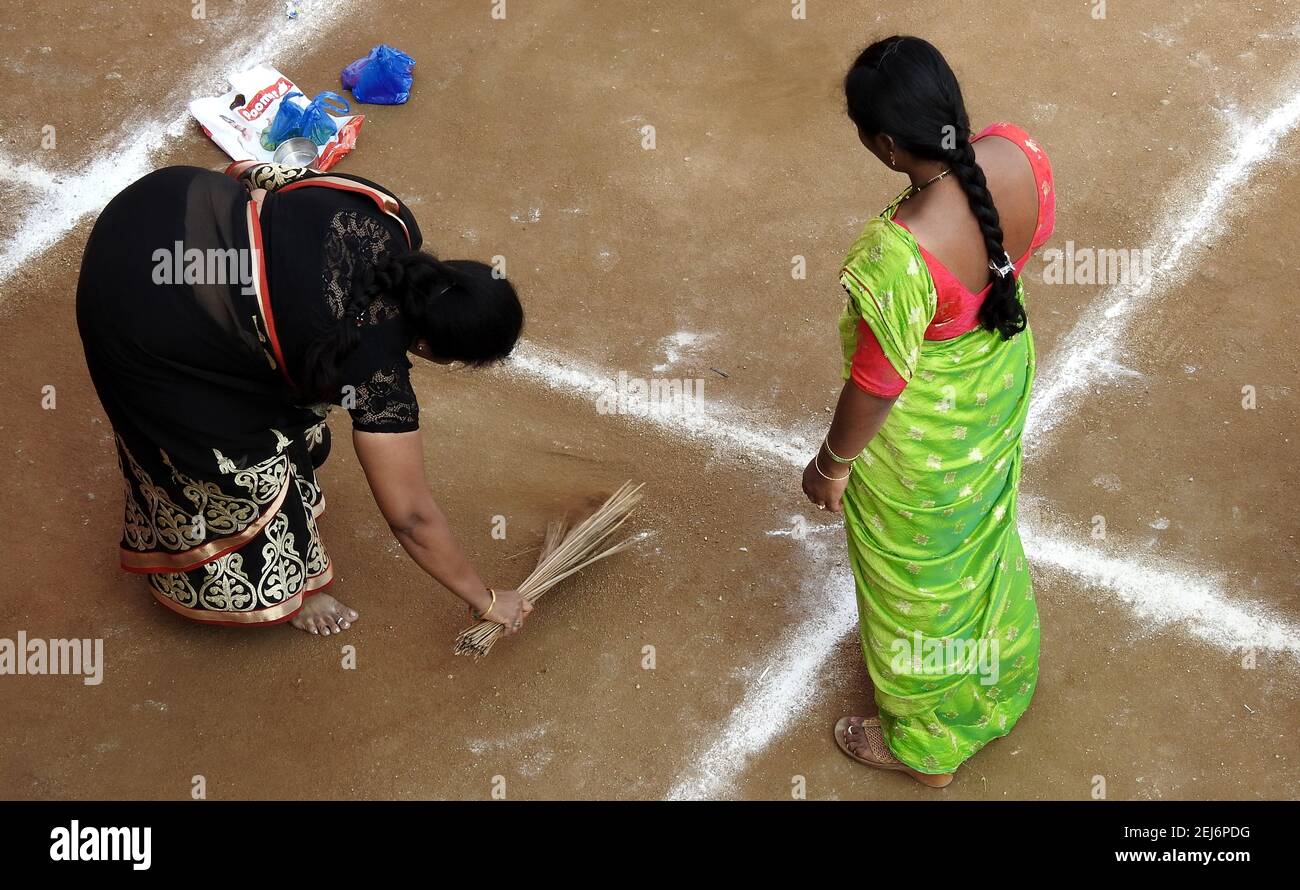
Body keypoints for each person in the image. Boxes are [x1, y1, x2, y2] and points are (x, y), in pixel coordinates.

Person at [76, 161, 532, 636]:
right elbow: (412, 517)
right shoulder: (376, 375)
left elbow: (265, 174)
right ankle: (296, 595)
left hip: (159, 205)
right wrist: (486, 599)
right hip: (134, 315)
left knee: (296, 407)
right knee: (241, 463)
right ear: (429, 347)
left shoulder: (389, 217)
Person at [802, 36, 1055, 787]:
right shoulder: (1018, 152)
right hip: (997, 384)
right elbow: (1023, 247)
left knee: (915, 580)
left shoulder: (897, 253)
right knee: (977, 539)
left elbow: (878, 384)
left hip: (925, 437)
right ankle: (997, 678)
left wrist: (831, 466)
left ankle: (926, 743)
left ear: (884, 145)